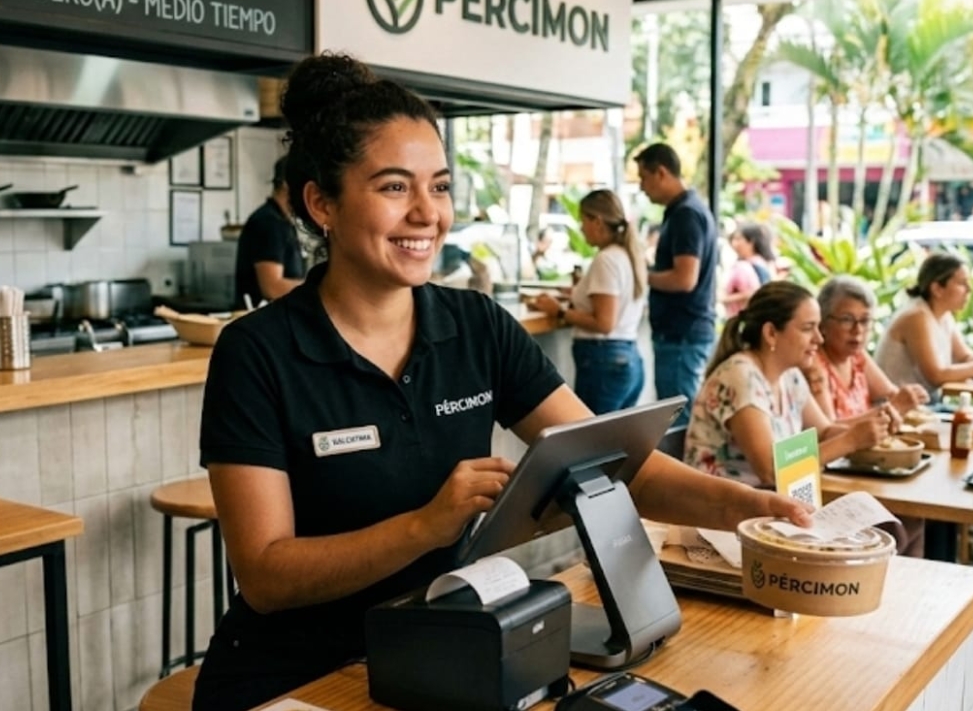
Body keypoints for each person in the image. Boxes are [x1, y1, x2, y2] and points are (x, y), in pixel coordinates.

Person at [193, 52, 812, 711]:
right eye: (394, 187)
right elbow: (265, 574)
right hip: (295, 678)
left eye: (439, 186)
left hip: (437, 653)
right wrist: (427, 526)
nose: (427, 214)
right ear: (322, 202)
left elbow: (619, 465)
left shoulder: (476, 327)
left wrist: (753, 508)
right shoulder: (257, 353)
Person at [684, 281, 892, 488]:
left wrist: (873, 430)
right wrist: (851, 440)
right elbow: (771, 471)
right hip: (722, 512)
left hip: (768, 504)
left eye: (818, 328)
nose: (819, 339)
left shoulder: (790, 375)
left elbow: (823, 432)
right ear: (771, 333)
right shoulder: (741, 376)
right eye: (808, 328)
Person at [805, 275, 930, 556]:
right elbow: (827, 428)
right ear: (823, 322)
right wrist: (892, 409)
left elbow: (891, 394)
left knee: (913, 515)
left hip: (862, 467)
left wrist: (902, 400)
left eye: (865, 321)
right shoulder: (814, 363)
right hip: (833, 474)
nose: (857, 331)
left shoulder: (857, 357)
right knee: (905, 517)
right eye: (847, 319)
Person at [532, 190, 648, 414]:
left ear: (597, 221)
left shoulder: (607, 259)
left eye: (583, 220)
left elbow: (604, 323)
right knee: (615, 444)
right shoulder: (627, 255)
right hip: (628, 358)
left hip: (603, 362)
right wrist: (576, 295)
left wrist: (559, 312)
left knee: (594, 444)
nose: (581, 228)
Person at [634, 142, 719, 425]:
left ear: (661, 173)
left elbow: (684, 279)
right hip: (682, 334)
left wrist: (641, 276)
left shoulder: (686, 214)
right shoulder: (683, 210)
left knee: (678, 424)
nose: (642, 188)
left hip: (681, 335)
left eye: (644, 178)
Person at [874, 253, 973, 403]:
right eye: (962, 283)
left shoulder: (942, 315)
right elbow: (936, 376)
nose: (969, 289)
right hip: (900, 412)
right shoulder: (916, 316)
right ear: (937, 289)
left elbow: (965, 357)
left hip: (924, 406)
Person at [234, 155, 306, 307]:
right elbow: (272, 287)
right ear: (288, 185)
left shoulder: (282, 222)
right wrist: (322, 289)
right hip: (261, 324)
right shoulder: (269, 223)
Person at [720, 223, 774, 318]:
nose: (734, 243)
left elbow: (751, 293)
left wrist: (724, 299)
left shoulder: (743, 267)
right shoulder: (764, 264)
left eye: (738, 239)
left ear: (751, 242)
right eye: (734, 239)